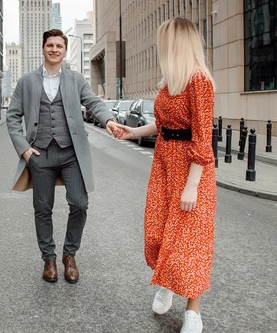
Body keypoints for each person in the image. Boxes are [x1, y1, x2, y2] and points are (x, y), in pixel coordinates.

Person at [115, 17, 216, 333]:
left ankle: (194, 311)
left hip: (191, 168)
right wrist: (132, 132)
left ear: (177, 43)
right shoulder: (169, 82)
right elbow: (163, 124)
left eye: (164, 40)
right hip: (164, 163)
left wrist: (192, 186)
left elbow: (202, 137)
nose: (160, 46)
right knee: (157, 232)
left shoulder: (200, 81)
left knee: (190, 242)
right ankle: (167, 282)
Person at [6, 29, 123, 284]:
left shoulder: (75, 79)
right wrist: (24, 150)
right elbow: (13, 116)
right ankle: (49, 258)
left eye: (59, 45)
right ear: (43, 48)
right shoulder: (27, 81)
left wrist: (110, 120)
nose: (55, 49)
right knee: (42, 209)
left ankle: (69, 255)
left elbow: (94, 102)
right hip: (40, 154)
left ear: (64, 50)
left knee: (80, 203)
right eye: (50, 45)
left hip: (71, 153)